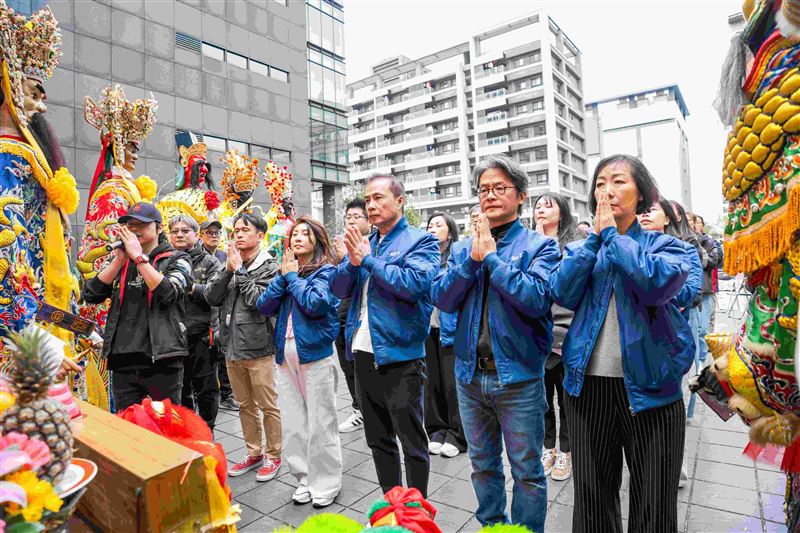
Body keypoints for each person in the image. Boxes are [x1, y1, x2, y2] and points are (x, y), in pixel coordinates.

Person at [551, 154, 699, 533]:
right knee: (593, 503)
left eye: (619, 181)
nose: (607, 191)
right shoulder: (583, 248)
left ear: (641, 193)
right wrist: (595, 241)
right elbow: (561, 291)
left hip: (652, 390)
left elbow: (656, 284)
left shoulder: (668, 246)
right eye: (600, 184)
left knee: (654, 505)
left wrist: (613, 239)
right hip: (587, 390)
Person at [432, 155, 559, 531]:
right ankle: (492, 526)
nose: (489, 195)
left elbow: (536, 298)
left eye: (499, 188)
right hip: (469, 377)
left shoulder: (541, 246)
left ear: (521, 196)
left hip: (518, 378)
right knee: (483, 467)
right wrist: (472, 261)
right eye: (483, 189)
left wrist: (492, 259)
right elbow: (442, 298)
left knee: (527, 472)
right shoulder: (462, 249)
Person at [328, 172, 439, 496]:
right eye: (367, 200)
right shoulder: (366, 243)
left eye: (378, 198)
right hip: (363, 352)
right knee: (378, 440)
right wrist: (352, 263)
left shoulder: (421, 241)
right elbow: (337, 288)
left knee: (412, 441)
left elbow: (415, 285)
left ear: (400, 201)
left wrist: (368, 261)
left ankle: (415, 511)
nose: (371, 206)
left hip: (400, 355)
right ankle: (391, 505)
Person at [256, 216, 342, 508]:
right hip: (284, 356)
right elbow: (263, 305)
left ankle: (326, 482)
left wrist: (291, 278)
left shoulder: (328, 272)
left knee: (322, 422)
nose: (298, 238)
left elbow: (316, 304)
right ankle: (304, 478)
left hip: (315, 355)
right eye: (294, 234)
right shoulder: (287, 273)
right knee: (293, 424)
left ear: (317, 239)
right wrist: (285, 277)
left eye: (305, 234)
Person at [82, 203, 194, 411]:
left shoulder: (177, 258)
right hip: (123, 359)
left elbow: (170, 292)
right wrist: (118, 261)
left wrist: (139, 258)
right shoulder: (122, 259)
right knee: (128, 425)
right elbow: (91, 294)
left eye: (141, 224)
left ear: (159, 228)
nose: (134, 229)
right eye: (129, 224)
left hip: (162, 360)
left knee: (165, 424)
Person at [204, 212, 282, 481]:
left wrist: (240, 271)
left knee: (267, 405)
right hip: (232, 347)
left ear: (260, 235)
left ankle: (274, 455)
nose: (238, 234)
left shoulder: (270, 267)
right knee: (244, 405)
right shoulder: (231, 263)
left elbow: (260, 302)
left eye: (245, 230)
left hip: (259, 348)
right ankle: (254, 451)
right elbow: (211, 296)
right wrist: (228, 271)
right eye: (236, 230)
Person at [638, 198, 703, 490]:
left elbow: (689, 292)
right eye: (640, 211)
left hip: (669, 342)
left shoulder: (685, 249)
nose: (644, 215)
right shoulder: (630, 246)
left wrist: (650, 292)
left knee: (669, 409)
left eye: (651, 210)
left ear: (667, 218)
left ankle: (674, 469)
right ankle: (643, 465)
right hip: (634, 342)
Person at [533, 193, 581, 482]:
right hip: (537, 337)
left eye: (547, 206)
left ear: (562, 212)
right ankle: (548, 447)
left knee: (567, 401)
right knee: (542, 401)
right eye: (537, 206)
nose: (540, 210)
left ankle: (567, 450)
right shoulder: (529, 243)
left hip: (566, 335)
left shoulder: (574, 244)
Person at [168, 215, 222, 430]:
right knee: (180, 390)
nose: (179, 235)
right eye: (175, 231)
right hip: (172, 337)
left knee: (206, 389)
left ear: (196, 234)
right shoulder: (165, 260)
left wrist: (191, 288)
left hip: (201, 336)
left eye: (185, 231)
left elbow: (216, 294)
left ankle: (208, 431)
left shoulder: (209, 261)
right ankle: (189, 432)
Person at [425, 212, 466, 458]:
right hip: (427, 329)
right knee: (432, 384)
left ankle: (457, 434)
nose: (432, 228)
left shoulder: (457, 256)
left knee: (452, 384)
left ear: (449, 233)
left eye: (438, 225)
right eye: (429, 225)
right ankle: (436, 430)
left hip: (450, 329)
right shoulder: (423, 257)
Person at [333, 199, 371, 433]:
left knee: (363, 368)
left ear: (369, 221)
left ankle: (369, 411)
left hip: (361, 318)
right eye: (349, 217)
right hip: (341, 317)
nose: (352, 221)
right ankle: (358, 409)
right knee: (347, 368)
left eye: (357, 217)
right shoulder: (340, 245)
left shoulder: (373, 246)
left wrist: (346, 259)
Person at [199, 219, 237, 412]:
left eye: (217, 233)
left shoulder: (223, 255)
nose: (214, 236)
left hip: (223, 312)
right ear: (201, 235)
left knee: (222, 353)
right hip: (204, 312)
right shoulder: (197, 256)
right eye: (209, 232)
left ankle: (227, 394)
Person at [691, 214, 723, 363]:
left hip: (706, 290)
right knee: (693, 329)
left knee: (703, 328)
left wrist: (696, 253)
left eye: (695, 222)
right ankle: (694, 362)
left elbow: (715, 261)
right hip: (690, 291)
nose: (693, 225)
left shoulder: (709, 242)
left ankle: (701, 361)